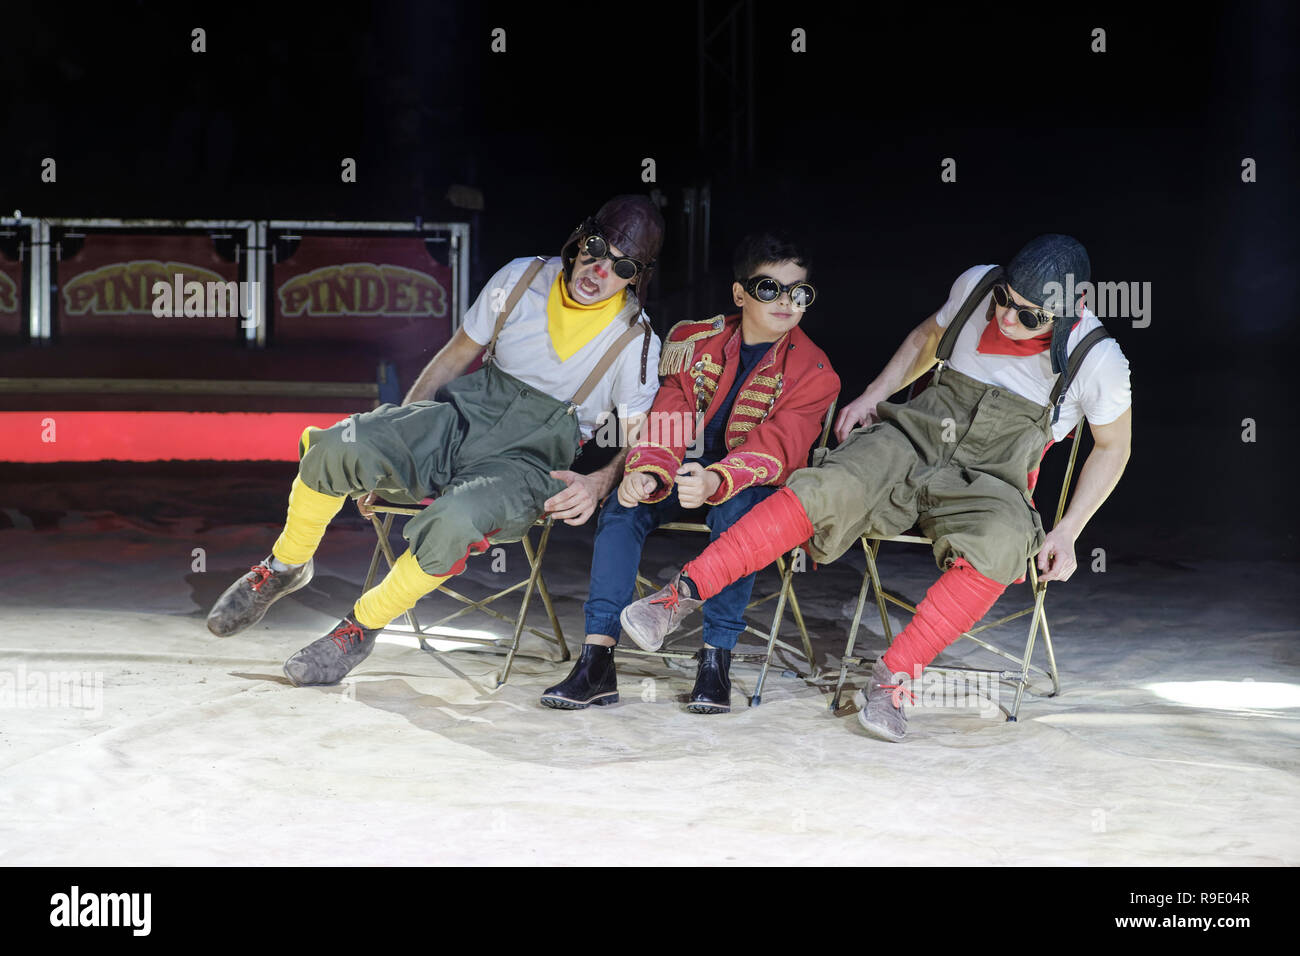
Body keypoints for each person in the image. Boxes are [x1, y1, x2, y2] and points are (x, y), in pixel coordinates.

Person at [620, 234, 1132, 740]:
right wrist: (874, 395)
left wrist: (1069, 530)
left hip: (992, 477)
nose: (1006, 319)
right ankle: (679, 596)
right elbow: (926, 340)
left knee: (1003, 542)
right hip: (914, 435)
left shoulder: (1098, 358)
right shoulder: (978, 285)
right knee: (830, 484)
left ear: (1075, 304)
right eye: (1005, 302)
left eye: (1030, 316)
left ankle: (894, 679)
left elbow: (1113, 448)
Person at [206, 196, 665, 686]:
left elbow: (642, 437)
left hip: (527, 463)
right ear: (578, 240)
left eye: (622, 265)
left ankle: (359, 628)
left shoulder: (634, 339)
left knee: (455, 520)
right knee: (340, 445)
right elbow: (454, 357)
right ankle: (286, 565)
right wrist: (396, 436)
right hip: (460, 417)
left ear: (636, 277)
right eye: (595, 248)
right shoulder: (521, 277)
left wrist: (598, 482)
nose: (599, 269)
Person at [541, 233, 839, 713]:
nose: (786, 303)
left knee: (738, 517)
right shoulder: (691, 340)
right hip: (679, 472)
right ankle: (597, 659)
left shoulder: (815, 371)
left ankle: (715, 660)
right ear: (740, 294)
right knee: (623, 504)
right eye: (770, 289)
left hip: (749, 487)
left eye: (798, 292)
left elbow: (780, 447)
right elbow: (672, 410)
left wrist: (716, 481)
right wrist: (648, 470)